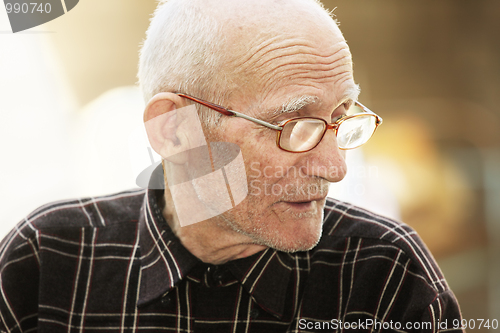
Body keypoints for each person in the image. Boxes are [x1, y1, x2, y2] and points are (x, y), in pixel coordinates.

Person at [0, 0, 464, 332]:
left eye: (342, 118)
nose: (335, 168)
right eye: (294, 126)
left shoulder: (384, 275)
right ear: (174, 130)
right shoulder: (47, 261)